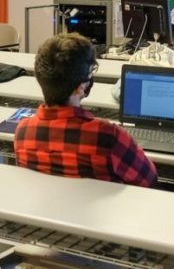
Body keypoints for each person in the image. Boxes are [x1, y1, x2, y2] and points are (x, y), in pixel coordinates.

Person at [14, 33, 157, 188]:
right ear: (80, 87)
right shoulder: (107, 136)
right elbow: (148, 178)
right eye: (90, 72)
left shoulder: (22, 132)